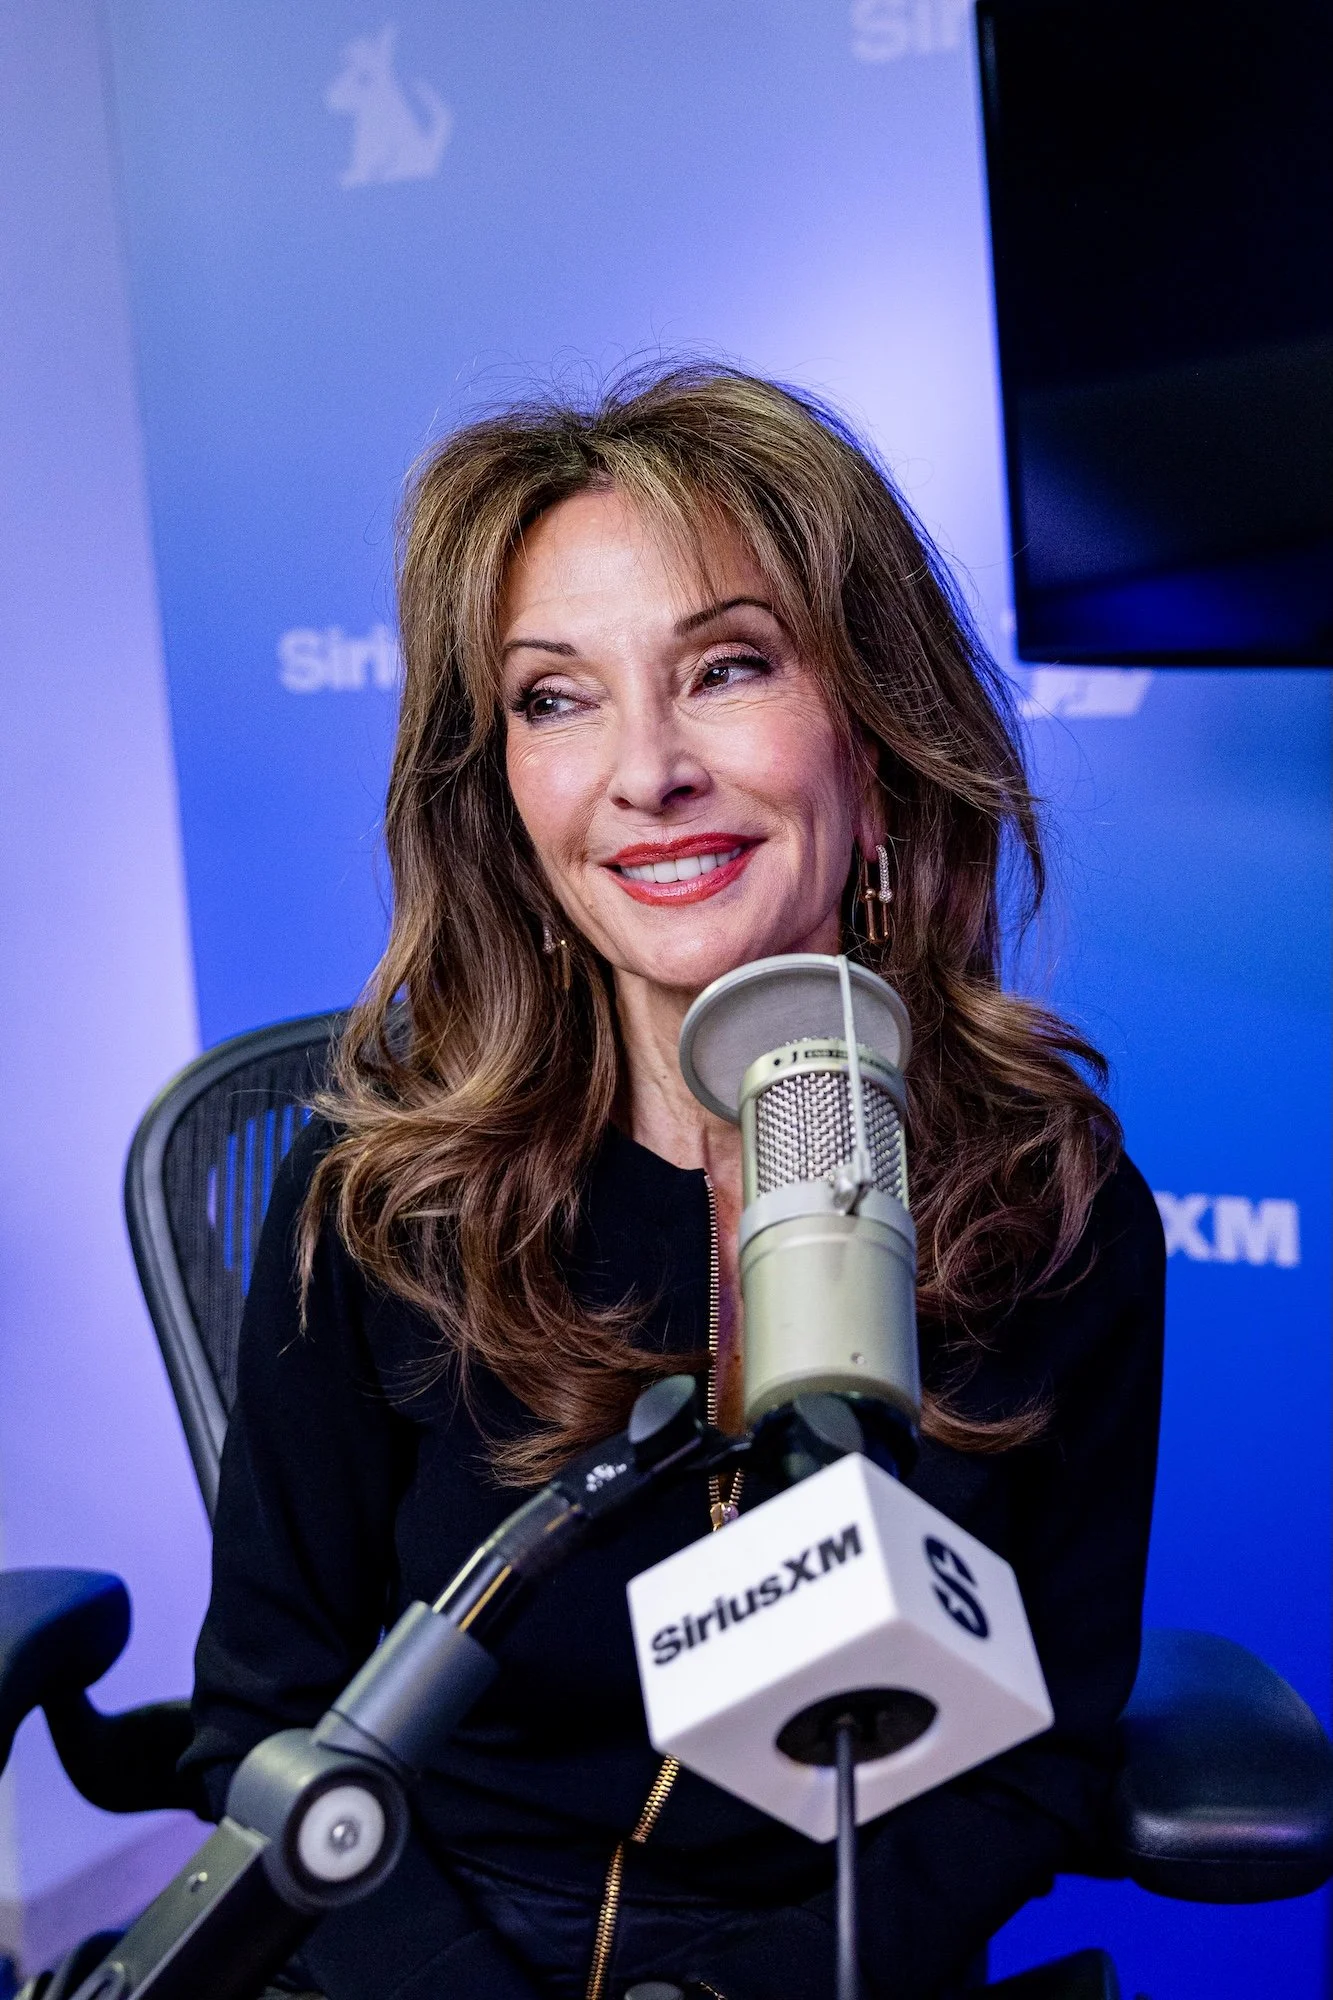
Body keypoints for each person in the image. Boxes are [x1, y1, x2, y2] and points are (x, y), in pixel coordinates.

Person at [183, 365, 1165, 2000]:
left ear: (875, 725)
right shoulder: (383, 1195)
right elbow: (268, 1720)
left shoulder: (1046, 1208)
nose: (647, 770)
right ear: (501, 791)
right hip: (416, 1954)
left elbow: (1037, 1757)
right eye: (555, 699)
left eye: (726, 668)